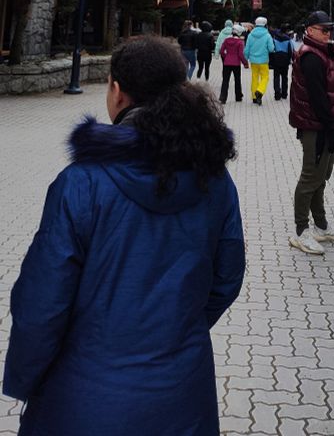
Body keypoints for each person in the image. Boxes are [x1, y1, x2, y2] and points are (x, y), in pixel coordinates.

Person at [2, 35, 245, 436]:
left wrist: (26, 379)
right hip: (182, 391)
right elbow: (227, 277)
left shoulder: (81, 183)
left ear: (116, 91)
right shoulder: (214, 179)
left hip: (84, 394)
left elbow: (42, 301)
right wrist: (178, 326)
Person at [289, 10, 334, 255]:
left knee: (321, 177)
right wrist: (331, 128)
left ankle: (321, 226)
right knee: (310, 178)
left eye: (330, 30)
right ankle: (301, 232)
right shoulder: (311, 57)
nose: (328, 34)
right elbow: (318, 99)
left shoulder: (322, 53)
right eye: (324, 29)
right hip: (317, 128)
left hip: (326, 127)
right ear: (310, 30)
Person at [244, 16, 274, 105]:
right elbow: (271, 49)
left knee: (254, 78)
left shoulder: (250, 35)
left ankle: (254, 97)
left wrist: (246, 58)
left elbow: (246, 49)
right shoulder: (267, 35)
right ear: (265, 25)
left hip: (253, 61)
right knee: (265, 77)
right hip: (264, 61)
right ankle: (259, 91)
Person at [219, 24, 248, 103]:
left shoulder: (226, 40)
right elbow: (240, 55)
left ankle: (222, 98)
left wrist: (226, 57)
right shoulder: (239, 42)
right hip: (236, 64)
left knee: (225, 80)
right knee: (237, 80)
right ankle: (238, 97)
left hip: (227, 63)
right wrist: (245, 63)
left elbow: (221, 51)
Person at [270, 23, 294, 100]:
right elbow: (290, 51)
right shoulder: (288, 39)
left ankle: (277, 94)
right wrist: (289, 59)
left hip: (276, 58)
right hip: (285, 59)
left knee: (276, 77)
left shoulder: (275, 38)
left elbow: (272, 49)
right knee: (284, 77)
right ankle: (284, 94)